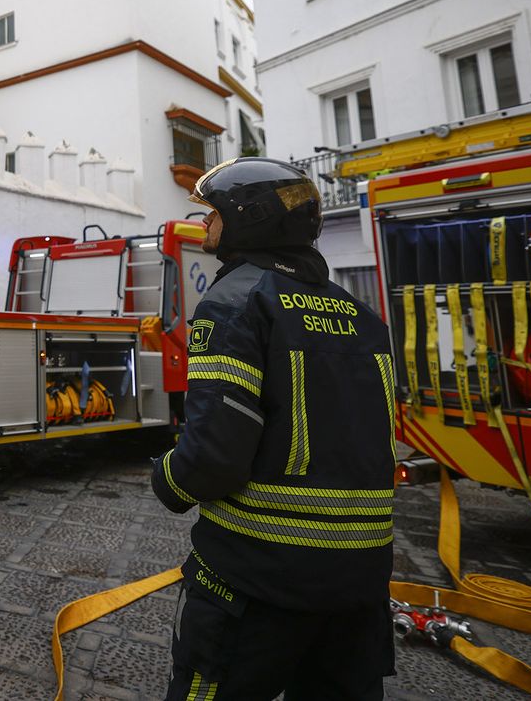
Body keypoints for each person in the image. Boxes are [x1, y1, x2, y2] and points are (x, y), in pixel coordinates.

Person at [151, 158, 397, 700]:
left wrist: (166, 479)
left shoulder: (236, 304)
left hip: (256, 580)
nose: (205, 226)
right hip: (360, 585)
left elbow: (214, 454)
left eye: (212, 214)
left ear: (250, 219)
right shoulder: (363, 317)